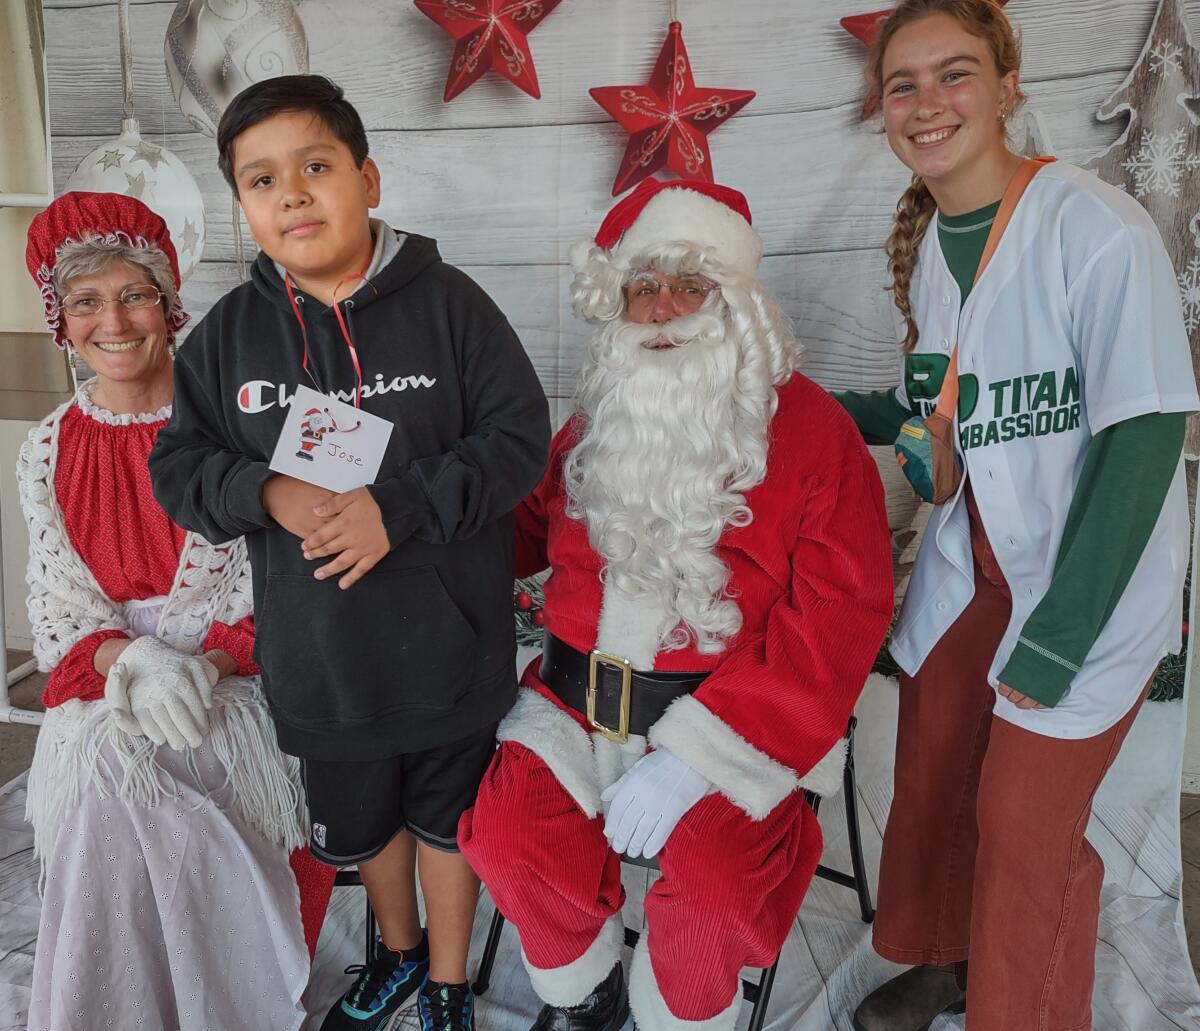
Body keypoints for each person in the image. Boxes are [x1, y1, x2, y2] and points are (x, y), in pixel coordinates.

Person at [831, 0, 1199, 1031]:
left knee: (1025, 826)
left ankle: (1023, 1008)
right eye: (902, 84)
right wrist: (787, 393)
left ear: (1005, 85)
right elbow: (938, 403)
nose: (927, 101)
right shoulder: (937, 256)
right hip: (977, 558)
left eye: (954, 74)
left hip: (1084, 577)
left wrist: (1057, 642)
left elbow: (1140, 439)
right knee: (934, 770)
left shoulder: (1095, 231)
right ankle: (952, 960)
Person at [148, 74, 551, 1031]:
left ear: (367, 179)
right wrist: (266, 491)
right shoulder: (225, 338)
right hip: (324, 664)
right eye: (260, 180)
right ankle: (399, 954)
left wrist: (398, 507)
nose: (291, 194)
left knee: (449, 824)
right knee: (366, 828)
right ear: (244, 205)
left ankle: (450, 983)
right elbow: (180, 468)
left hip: (452, 647)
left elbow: (519, 437)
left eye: (315, 166)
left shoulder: (451, 305)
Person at [458, 177, 894, 1031]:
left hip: (729, 727)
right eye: (643, 287)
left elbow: (841, 617)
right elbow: (520, 534)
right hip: (573, 710)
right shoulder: (596, 421)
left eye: (689, 285)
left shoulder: (813, 431)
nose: (662, 309)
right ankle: (587, 993)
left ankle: (678, 1017)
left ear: (734, 298)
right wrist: (420, 508)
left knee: (721, 897)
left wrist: (696, 759)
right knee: (506, 833)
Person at [20, 190, 333, 1031]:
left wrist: (205, 661)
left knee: (182, 774)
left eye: (133, 294)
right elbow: (61, 607)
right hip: (114, 672)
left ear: (169, 302)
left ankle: (218, 1004)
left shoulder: (239, 418)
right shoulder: (48, 446)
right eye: (86, 300)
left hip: (237, 667)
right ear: (61, 317)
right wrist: (133, 664)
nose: (112, 321)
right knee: (102, 789)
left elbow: (283, 577)